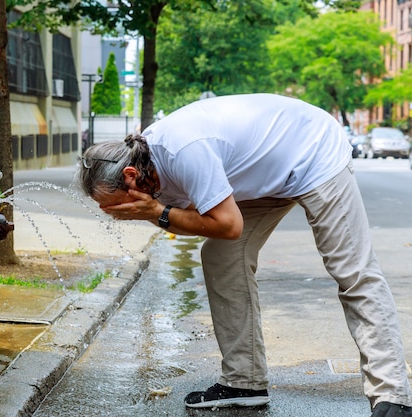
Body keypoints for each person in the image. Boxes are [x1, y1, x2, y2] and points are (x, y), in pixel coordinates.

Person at [75, 93, 412, 416]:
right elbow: (191, 221)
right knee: (221, 257)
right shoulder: (147, 167)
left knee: (352, 271)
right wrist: (154, 212)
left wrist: (156, 212)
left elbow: (227, 224)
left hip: (312, 151)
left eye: (113, 205)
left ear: (130, 176)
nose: (112, 214)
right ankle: (244, 381)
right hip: (266, 172)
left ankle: (393, 395)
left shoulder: (184, 152)